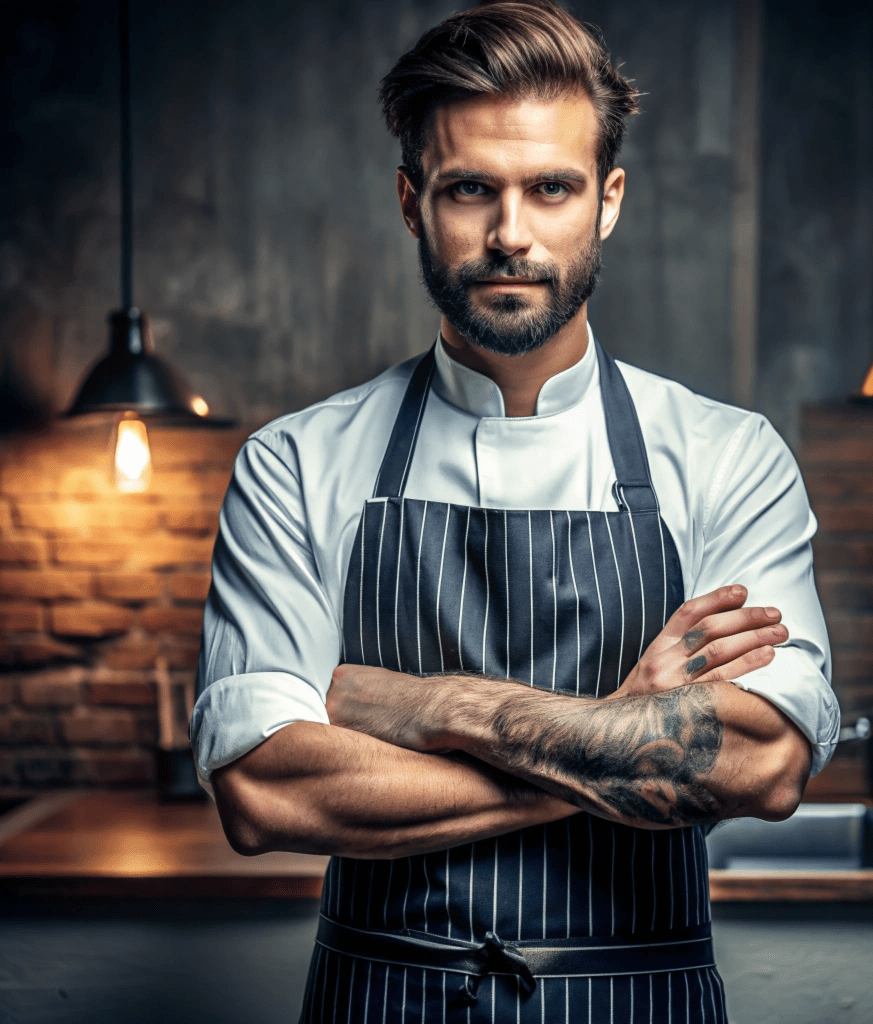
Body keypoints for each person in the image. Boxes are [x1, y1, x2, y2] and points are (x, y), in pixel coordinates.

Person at [191, 2, 840, 1021]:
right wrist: (624, 734)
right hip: (381, 1001)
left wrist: (432, 709)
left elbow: (760, 759)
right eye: (468, 191)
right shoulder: (295, 463)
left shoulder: (727, 458)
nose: (509, 234)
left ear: (607, 201)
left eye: (550, 188)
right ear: (411, 202)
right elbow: (267, 791)